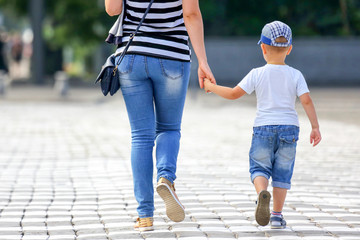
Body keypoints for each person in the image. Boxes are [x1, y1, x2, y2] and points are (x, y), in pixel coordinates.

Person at [104, 0, 215, 231]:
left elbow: (112, 9)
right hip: (173, 56)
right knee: (169, 128)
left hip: (132, 56)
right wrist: (203, 61)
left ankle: (144, 216)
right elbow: (191, 14)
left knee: (141, 137)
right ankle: (165, 178)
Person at [203, 21, 321, 229]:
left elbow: (233, 94)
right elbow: (306, 101)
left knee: (259, 168)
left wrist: (210, 86)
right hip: (289, 129)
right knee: (282, 174)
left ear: (263, 48)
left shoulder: (257, 73)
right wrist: (315, 127)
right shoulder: (296, 75)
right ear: (290, 49)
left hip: (263, 129)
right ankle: (276, 216)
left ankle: (261, 194)